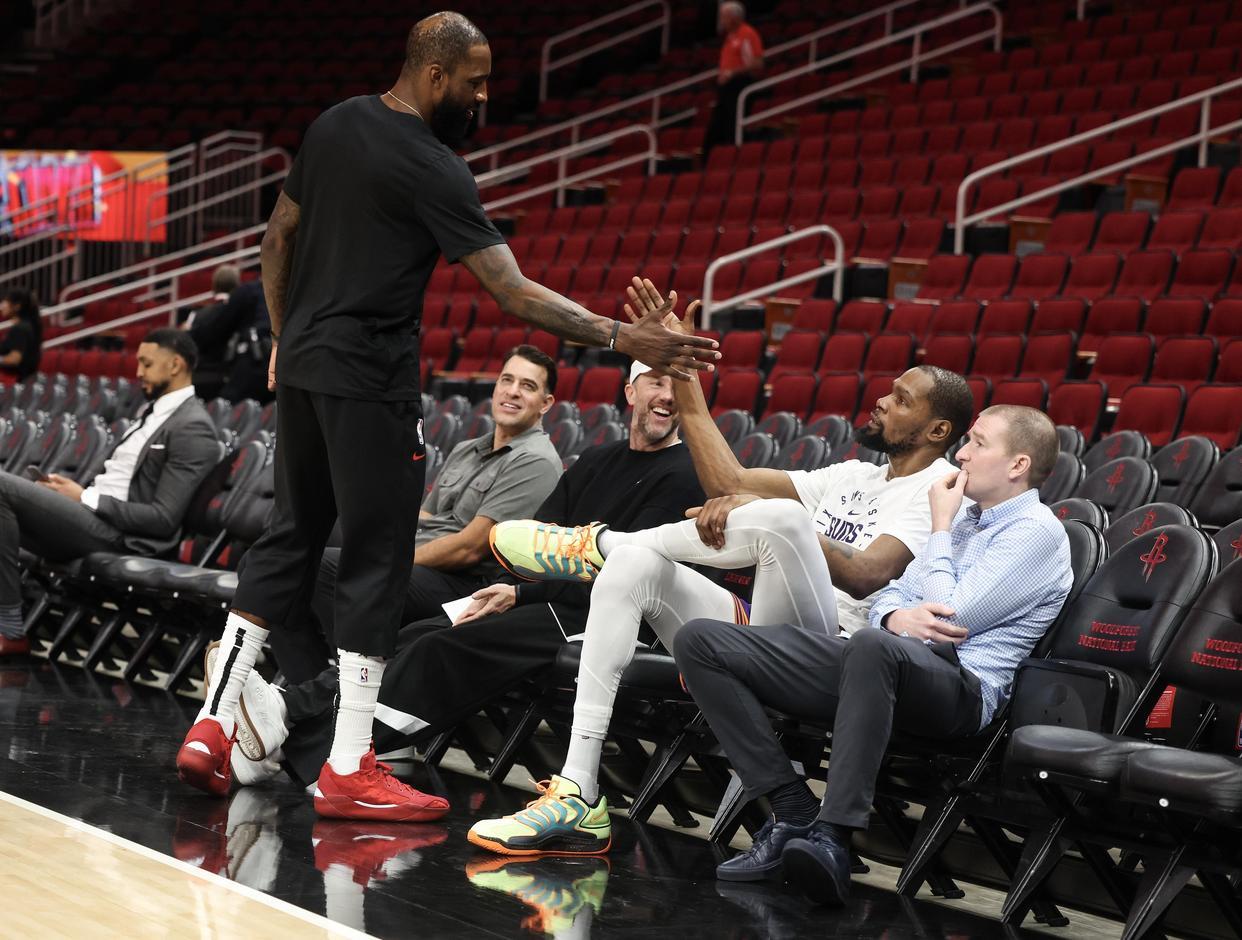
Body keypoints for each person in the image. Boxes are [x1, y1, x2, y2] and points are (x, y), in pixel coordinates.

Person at [175, 10, 719, 821]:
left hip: (309, 371)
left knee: (291, 537)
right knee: (376, 560)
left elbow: (278, 237)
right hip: (371, 380)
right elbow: (512, 291)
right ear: (436, 76)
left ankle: (213, 725)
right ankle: (349, 766)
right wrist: (618, 335)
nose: (484, 96)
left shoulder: (333, 123)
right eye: (475, 82)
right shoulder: (435, 167)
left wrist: (287, 336)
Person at [465, 282, 975, 857]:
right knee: (635, 565)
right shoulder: (853, 474)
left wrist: (760, 512)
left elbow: (866, 575)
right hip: (765, 629)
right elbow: (727, 480)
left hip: (835, 651)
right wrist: (680, 370)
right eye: (888, 391)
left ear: (938, 431)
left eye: (901, 399)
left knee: (781, 517)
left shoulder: (940, 487)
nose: (882, 400)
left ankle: (600, 544)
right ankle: (579, 791)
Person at [215, 360, 705, 792]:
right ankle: (288, 715)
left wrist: (522, 592)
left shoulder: (686, 473)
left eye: (677, 387)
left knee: (438, 649)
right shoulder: (598, 459)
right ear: (631, 391)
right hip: (544, 599)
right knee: (416, 634)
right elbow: (534, 541)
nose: (666, 396)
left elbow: (621, 569)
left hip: (601, 618)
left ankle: (292, 738)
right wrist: (518, 587)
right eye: (656, 382)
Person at [674, 405, 1071, 907]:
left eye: (978, 443)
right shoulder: (964, 520)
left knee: (871, 645)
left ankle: (833, 837)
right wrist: (894, 618)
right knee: (702, 641)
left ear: (1018, 464)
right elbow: (890, 595)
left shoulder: (1037, 533)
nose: (962, 455)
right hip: (881, 661)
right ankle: (791, 808)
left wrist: (939, 529)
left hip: (962, 691)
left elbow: (951, 619)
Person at [266, 344, 563, 682]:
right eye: (507, 380)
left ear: (545, 404)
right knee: (281, 561)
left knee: (325, 569)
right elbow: (422, 518)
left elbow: (470, 548)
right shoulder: (467, 448)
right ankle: (314, 686)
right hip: (421, 564)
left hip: (464, 584)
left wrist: (386, 561)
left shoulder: (535, 461)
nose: (512, 391)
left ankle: (351, 682)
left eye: (527, 386)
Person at [0, 329, 218, 655]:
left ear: (175, 365)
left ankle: (9, 629)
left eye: (146, 363)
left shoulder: (193, 426)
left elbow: (163, 519)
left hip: (119, 535)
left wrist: (83, 497)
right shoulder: (152, 413)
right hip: (92, 519)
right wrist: (73, 494)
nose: (138, 371)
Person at [703, 1, 764, 152]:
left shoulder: (747, 33)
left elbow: (757, 64)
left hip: (739, 85)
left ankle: (732, 153)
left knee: (732, 124)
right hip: (726, 88)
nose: (722, 20)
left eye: (724, 17)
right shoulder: (730, 37)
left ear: (734, 18)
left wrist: (732, 73)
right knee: (716, 127)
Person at [0, 287, 42, 383]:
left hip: (14, 382)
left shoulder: (20, 329)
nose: (1, 306)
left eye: (4, 302)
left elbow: (14, 359)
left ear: (17, 306)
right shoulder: (26, 325)